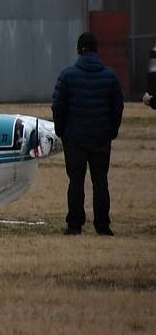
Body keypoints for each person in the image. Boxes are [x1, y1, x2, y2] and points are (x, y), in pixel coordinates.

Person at [52, 32, 123, 236]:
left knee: (76, 181)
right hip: (101, 137)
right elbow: (117, 107)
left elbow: (58, 106)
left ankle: (75, 224)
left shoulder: (67, 76)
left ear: (78, 50)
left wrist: (61, 131)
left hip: (74, 138)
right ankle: (102, 225)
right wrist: (112, 131)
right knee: (101, 181)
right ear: (96, 50)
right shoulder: (110, 76)